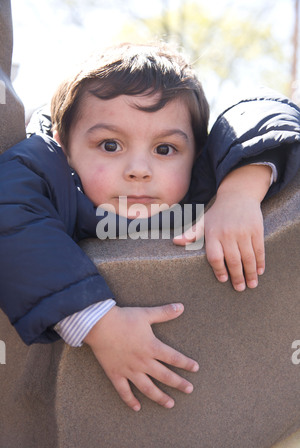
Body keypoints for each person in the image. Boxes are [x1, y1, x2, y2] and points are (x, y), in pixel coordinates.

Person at [1, 42, 300, 412]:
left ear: (197, 153)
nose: (139, 169)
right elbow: (10, 212)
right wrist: (98, 322)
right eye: (110, 145)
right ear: (65, 148)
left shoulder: (199, 190)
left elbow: (264, 110)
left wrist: (238, 193)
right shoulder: (54, 183)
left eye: (164, 149)